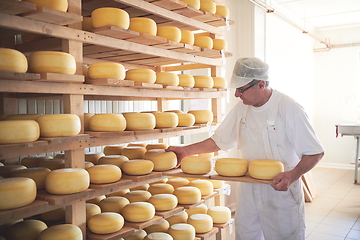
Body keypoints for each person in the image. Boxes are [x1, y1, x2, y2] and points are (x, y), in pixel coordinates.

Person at [166, 57, 324, 240]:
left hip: (280, 193)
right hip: (249, 191)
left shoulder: (288, 108)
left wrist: (293, 175)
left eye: (241, 90)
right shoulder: (242, 109)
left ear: (261, 84)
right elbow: (219, 140)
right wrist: (187, 150)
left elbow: (315, 152)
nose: (236, 95)